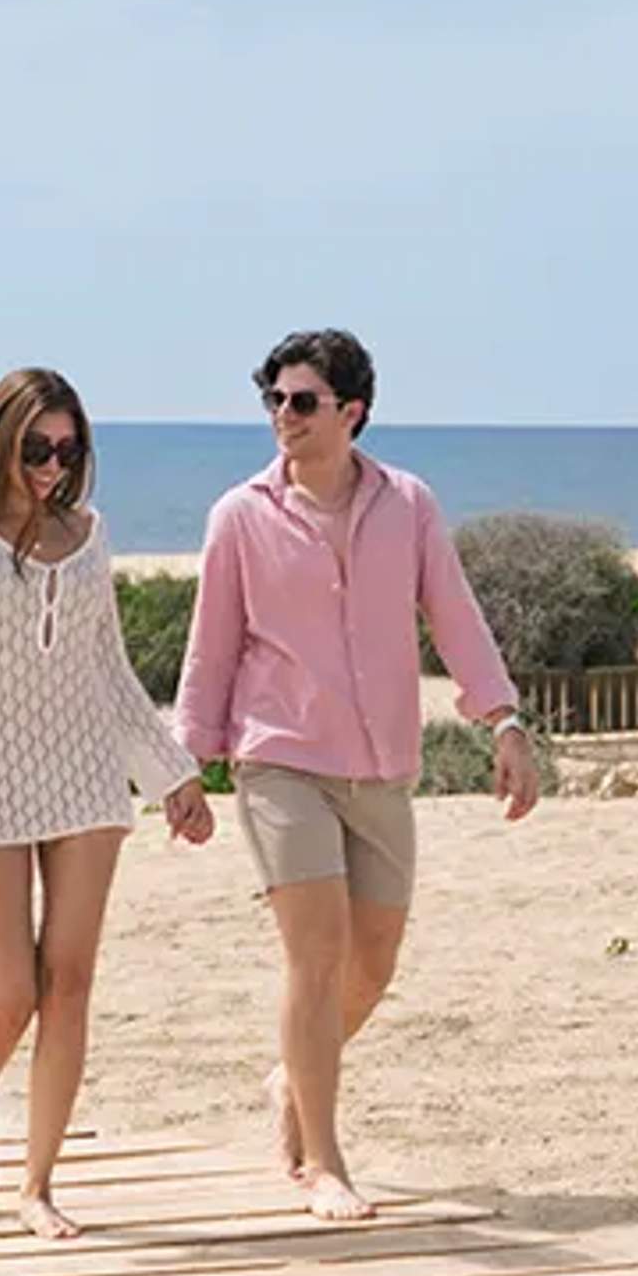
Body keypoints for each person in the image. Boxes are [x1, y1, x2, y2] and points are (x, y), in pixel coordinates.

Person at [177, 329, 539, 1221]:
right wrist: (188, 762)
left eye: (302, 402)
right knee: (317, 954)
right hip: (279, 759)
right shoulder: (240, 516)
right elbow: (211, 646)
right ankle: (323, 1161)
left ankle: (291, 1080)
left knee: (373, 965)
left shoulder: (408, 505)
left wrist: (505, 718)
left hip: (382, 763)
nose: (283, 418)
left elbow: (453, 614)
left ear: (352, 412)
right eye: (273, 400)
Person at [0, 368, 214, 1239]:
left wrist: (173, 773)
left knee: (69, 986)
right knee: (9, 995)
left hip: (85, 781)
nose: (51, 465)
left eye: (67, 451)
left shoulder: (90, 534)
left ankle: (39, 1185)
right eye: (36, 448)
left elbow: (108, 669)